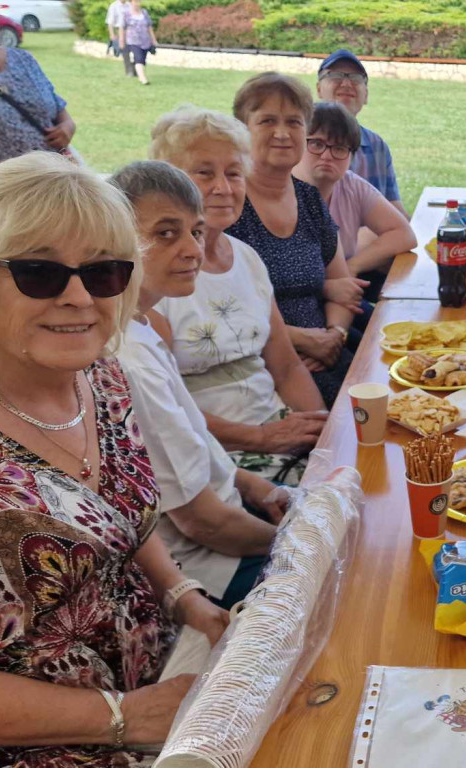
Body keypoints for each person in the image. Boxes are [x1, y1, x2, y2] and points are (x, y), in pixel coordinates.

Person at [0, 152, 229, 764]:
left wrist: (183, 596)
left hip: (167, 686)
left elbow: (122, 515)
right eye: (38, 272)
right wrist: (121, 718)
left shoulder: (103, 376)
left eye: (103, 273)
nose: (77, 297)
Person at [111, 160, 292, 609]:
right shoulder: (129, 362)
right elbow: (202, 523)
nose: (193, 250)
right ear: (111, 239)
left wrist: (255, 487)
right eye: (165, 233)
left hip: (234, 523)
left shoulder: (143, 328)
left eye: (194, 231)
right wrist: (294, 545)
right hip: (211, 569)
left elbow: (200, 454)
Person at [149, 105, 330, 481]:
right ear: (169, 183)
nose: (224, 187)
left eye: (234, 173)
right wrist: (262, 438)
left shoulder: (246, 258)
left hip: (280, 433)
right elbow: (162, 411)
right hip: (213, 458)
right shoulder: (155, 277)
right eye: (204, 173)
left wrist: (323, 435)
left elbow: (287, 367)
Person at [228, 72, 360, 408]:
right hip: (261, 370)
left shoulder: (310, 200)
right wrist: (302, 341)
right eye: (267, 121)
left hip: (327, 355)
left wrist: (335, 336)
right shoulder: (226, 206)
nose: (283, 133)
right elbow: (222, 317)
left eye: (294, 122)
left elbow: (341, 285)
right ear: (243, 130)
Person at [295, 100, 416, 304]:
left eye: (340, 148)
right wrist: (329, 286)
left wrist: (353, 266)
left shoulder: (351, 186)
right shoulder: (281, 191)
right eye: (316, 144)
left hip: (342, 301)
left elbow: (405, 235)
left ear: (351, 156)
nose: (327, 155)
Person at [316, 49, 407, 218]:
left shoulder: (377, 146)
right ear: (319, 89)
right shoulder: (302, 145)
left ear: (366, 95)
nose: (346, 84)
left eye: (356, 78)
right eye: (336, 75)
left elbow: (395, 209)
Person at [0, 4, 76, 166]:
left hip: (55, 168)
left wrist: (68, 125)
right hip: (5, 183)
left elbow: (54, 101)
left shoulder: (23, 59)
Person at [117, 0, 157, 86]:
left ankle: (140, 75)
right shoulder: (126, 14)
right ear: (131, 3)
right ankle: (143, 79)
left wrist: (153, 40)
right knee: (138, 58)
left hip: (145, 41)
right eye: (135, 2)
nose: (137, 4)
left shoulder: (144, 13)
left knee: (142, 59)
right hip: (133, 41)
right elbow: (122, 28)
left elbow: (149, 27)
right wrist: (121, 41)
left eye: (139, 1)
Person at [105, 0, 132, 77]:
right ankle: (129, 70)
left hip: (130, 31)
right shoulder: (114, 6)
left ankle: (135, 68)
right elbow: (110, 22)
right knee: (125, 51)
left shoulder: (129, 5)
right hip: (119, 30)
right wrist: (112, 35)